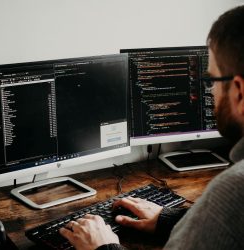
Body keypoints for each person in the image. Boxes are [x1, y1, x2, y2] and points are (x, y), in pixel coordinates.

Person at [59, 5, 244, 250]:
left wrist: (103, 248)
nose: (210, 91)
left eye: (212, 80)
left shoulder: (233, 190)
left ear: (240, 92)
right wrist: (167, 219)